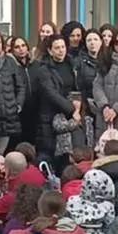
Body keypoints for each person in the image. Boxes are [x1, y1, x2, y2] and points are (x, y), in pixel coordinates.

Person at [35, 35, 83, 169]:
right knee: (53, 156)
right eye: (57, 48)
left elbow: (77, 88)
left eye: (63, 47)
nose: (61, 50)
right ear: (50, 51)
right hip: (51, 117)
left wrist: (78, 108)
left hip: (72, 116)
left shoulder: (72, 65)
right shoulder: (44, 70)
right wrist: (73, 110)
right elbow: (51, 93)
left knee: (72, 156)